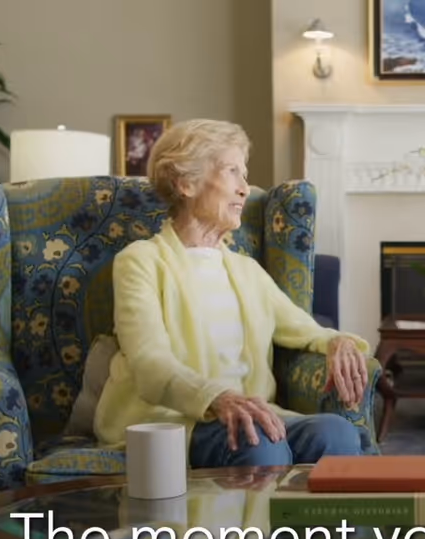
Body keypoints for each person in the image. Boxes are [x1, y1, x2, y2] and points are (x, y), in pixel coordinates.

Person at [93, 118, 371, 469]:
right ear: (186, 183)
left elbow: (307, 330)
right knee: (259, 441)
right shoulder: (141, 261)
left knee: (336, 433)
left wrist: (339, 343)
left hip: (253, 417)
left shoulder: (246, 271)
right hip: (172, 422)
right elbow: (150, 363)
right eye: (232, 172)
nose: (245, 188)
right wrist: (217, 398)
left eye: (245, 174)